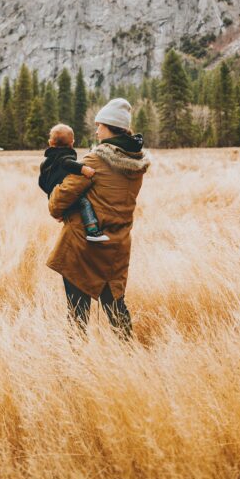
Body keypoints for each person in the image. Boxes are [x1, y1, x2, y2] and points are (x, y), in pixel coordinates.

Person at [46, 97, 151, 338]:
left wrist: (59, 205)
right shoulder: (136, 164)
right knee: (116, 309)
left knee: (77, 315)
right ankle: (129, 359)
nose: (96, 130)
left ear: (111, 127)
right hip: (116, 247)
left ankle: (77, 368)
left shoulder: (94, 161)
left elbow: (59, 200)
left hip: (83, 248)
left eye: (99, 125)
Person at [38, 123, 110, 241]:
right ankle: (92, 230)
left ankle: (61, 214)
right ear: (72, 143)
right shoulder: (65, 156)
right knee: (84, 203)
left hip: (52, 195)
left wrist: (50, 193)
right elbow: (67, 163)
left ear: (50, 143)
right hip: (63, 191)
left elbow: (41, 182)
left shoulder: (45, 163)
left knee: (68, 209)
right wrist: (83, 169)